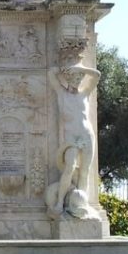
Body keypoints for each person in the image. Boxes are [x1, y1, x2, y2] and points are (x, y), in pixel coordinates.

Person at [47, 63, 101, 219]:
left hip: (87, 135)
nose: (77, 81)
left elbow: (97, 75)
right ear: (68, 78)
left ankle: (81, 203)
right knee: (69, 168)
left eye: (79, 78)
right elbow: (51, 73)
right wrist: (63, 69)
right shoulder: (61, 93)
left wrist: (82, 69)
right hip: (71, 137)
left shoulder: (84, 94)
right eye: (74, 78)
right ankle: (59, 202)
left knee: (85, 171)